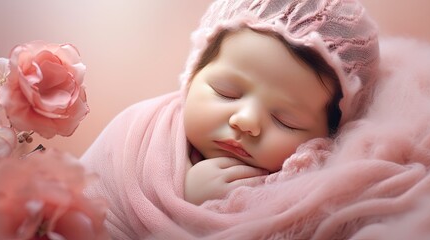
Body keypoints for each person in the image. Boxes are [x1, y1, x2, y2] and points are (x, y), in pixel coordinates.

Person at [80, 0, 379, 238]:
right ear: (193, 76)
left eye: (285, 120)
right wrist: (183, 194)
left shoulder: (308, 188)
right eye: (227, 93)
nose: (246, 121)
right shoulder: (135, 132)